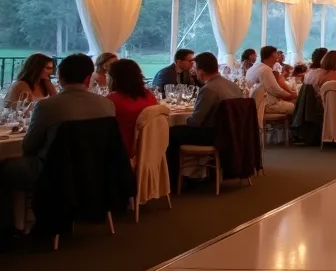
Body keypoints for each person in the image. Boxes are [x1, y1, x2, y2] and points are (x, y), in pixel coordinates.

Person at [1, 54, 114, 235]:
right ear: (88, 78)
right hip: (94, 169)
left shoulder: (47, 107)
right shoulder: (108, 105)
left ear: (60, 77)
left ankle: (12, 226)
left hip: (55, 172)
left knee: (5, 166)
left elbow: (29, 147)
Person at [167, 53, 240, 183]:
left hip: (215, 135)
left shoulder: (208, 89)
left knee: (171, 133)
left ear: (200, 72)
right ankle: (195, 171)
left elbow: (196, 122)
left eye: (195, 69)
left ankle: (176, 178)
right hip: (233, 132)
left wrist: (185, 119)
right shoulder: (233, 86)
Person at [107, 59, 158, 153]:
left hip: (123, 150)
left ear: (114, 78)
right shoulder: (149, 96)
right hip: (149, 148)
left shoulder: (112, 100)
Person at [246, 45, 296, 113]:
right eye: (276, 54)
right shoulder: (265, 69)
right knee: (296, 106)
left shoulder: (256, 66)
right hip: (263, 105)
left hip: (252, 103)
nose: (278, 56)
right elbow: (276, 91)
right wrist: (292, 96)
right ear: (271, 56)